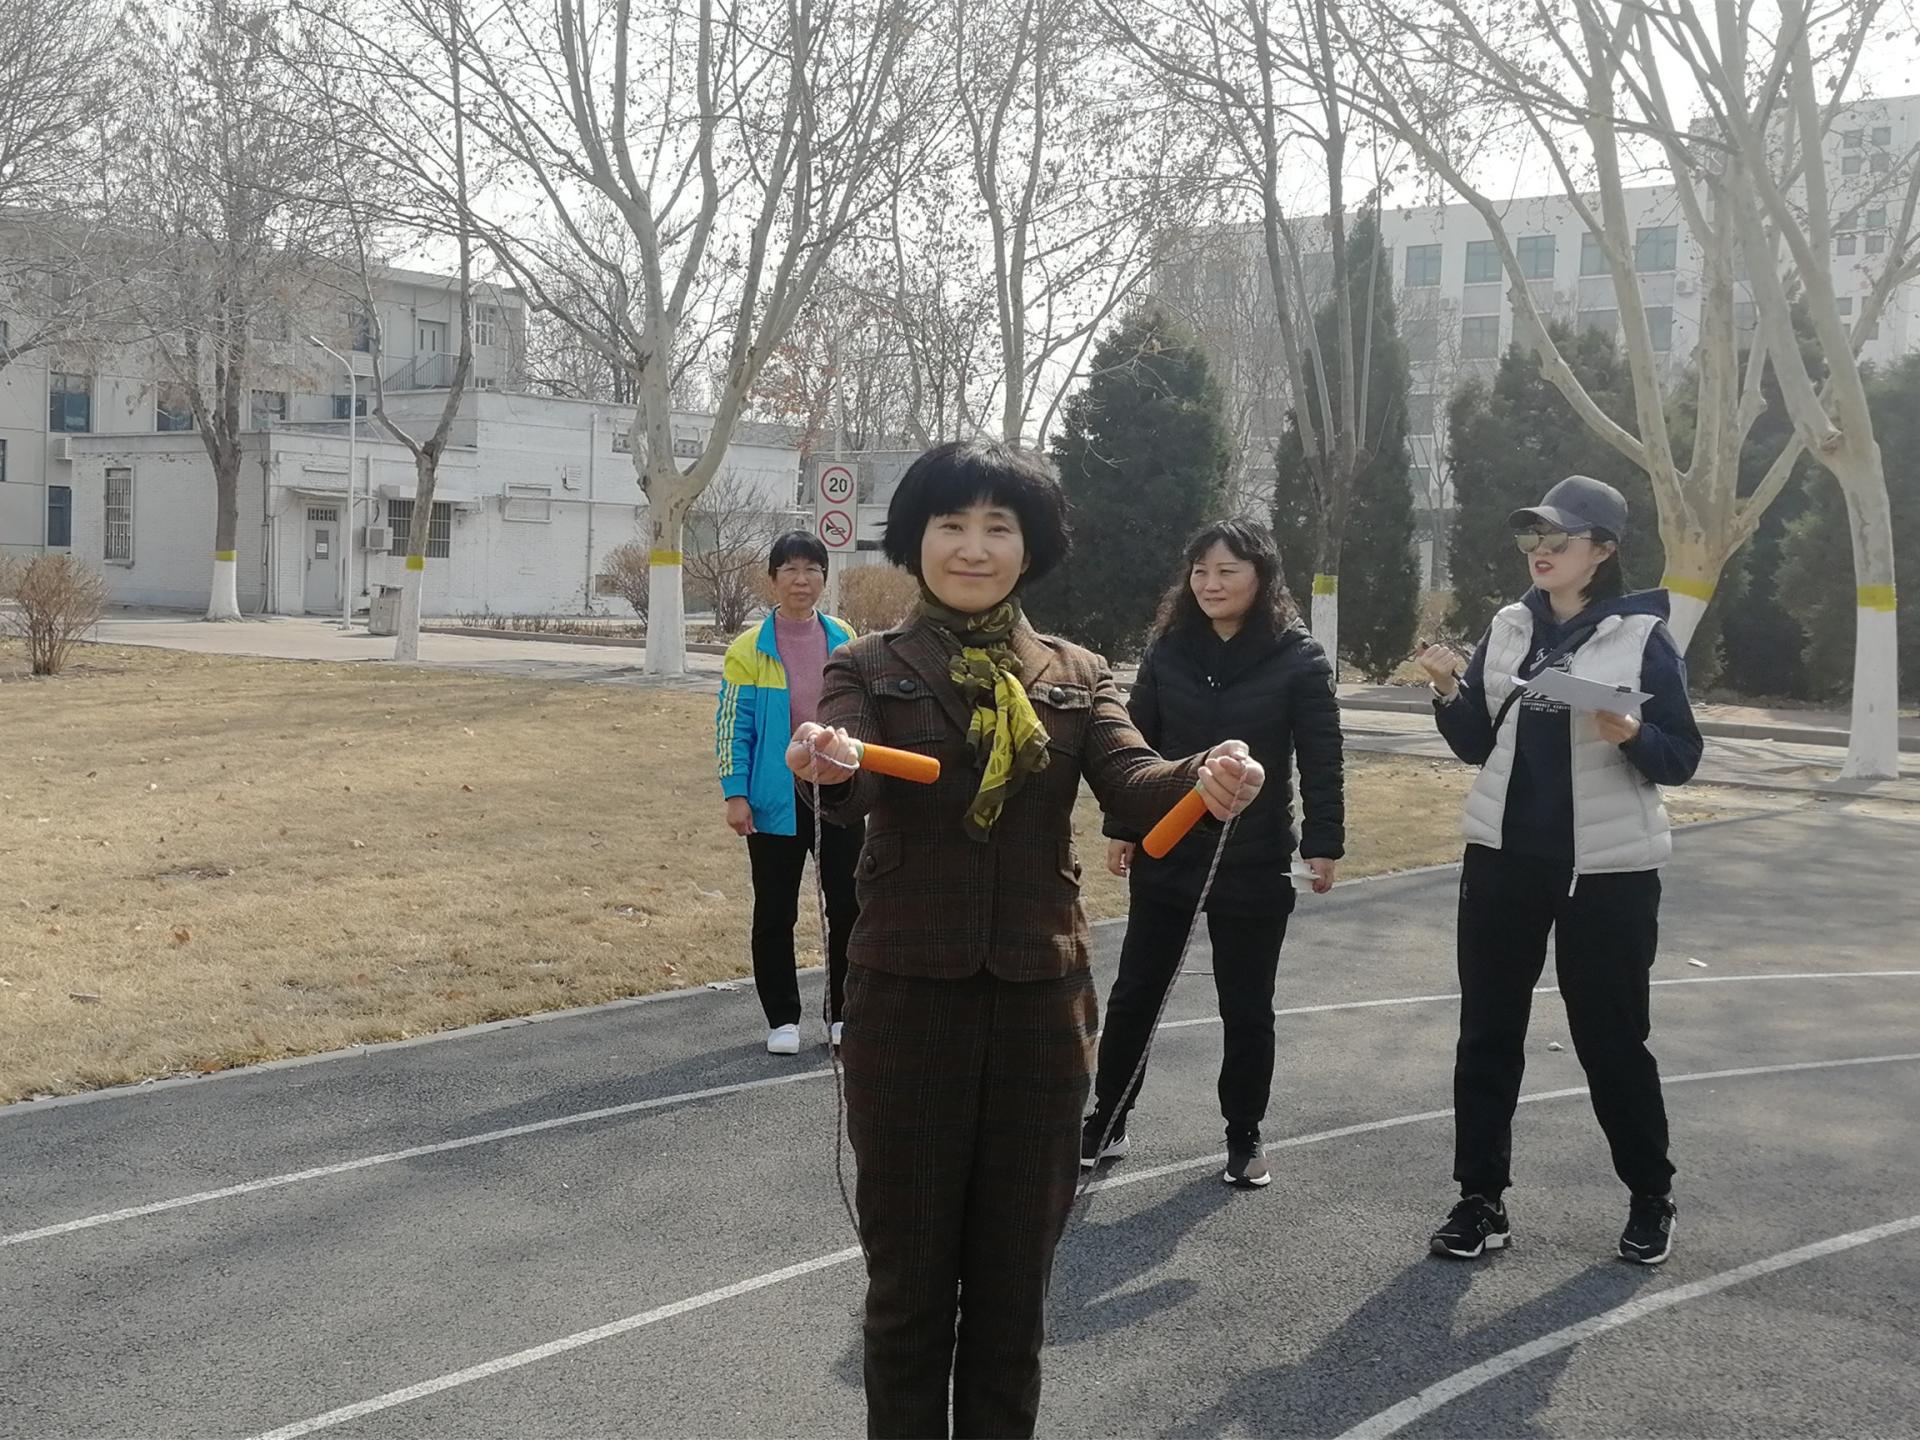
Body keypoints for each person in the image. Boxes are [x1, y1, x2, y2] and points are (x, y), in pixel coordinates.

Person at [787, 440, 1267, 1439]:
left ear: (1029, 545)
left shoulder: (1077, 674)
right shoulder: (866, 664)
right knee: (908, 1296)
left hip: (1041, 1016)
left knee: (1013, 1305)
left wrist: (1206, 777)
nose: (974, 547)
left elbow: (1135, 781)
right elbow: (849, 776)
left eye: (997, 527)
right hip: (905, 1005)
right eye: (952, 525)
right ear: (916, 540)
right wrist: (827, 763)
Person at [1416, 474, 1703, 1267]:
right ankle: (1480, 1200)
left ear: (1602, 551)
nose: (1540, 552)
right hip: (1502, 860)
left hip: (1606, 873)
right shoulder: (1510, 625)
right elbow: (1479, 744)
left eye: (1559, 539)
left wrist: (1632, 735)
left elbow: (1682, 756)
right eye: (1532, 537)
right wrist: (1447, 688)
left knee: (1611, 1039)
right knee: (1487, 1034)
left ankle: (1651, 1196)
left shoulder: (1642, 637)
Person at [1083, 520, 1345, 1189]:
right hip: (1169, 846)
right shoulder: (1169, 648)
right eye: (1200, 571)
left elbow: (1322, 759)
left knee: (1247, 1005)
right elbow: (1134, 746)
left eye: (1228, 571)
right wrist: (1123, 826)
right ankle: (1108, 1117)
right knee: (1135, 992)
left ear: (1262, 577)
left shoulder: (1299, 657)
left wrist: (1324, 844)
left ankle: (1243, 1133)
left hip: (1255, 860)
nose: (1211, 584)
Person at [715, 531, 861, 1055]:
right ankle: (783, 1019)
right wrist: (736, 793)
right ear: (773, 579)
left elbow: (861, 714)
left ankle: (843, 1015)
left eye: (812, 570)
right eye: (791, 570)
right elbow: (733, 727)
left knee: (849, 906)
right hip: (774, 799)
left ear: (824, 577)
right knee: (776, 912)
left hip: (840, 796)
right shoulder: (749, 649)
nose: (802, 580)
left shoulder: (845, 637)